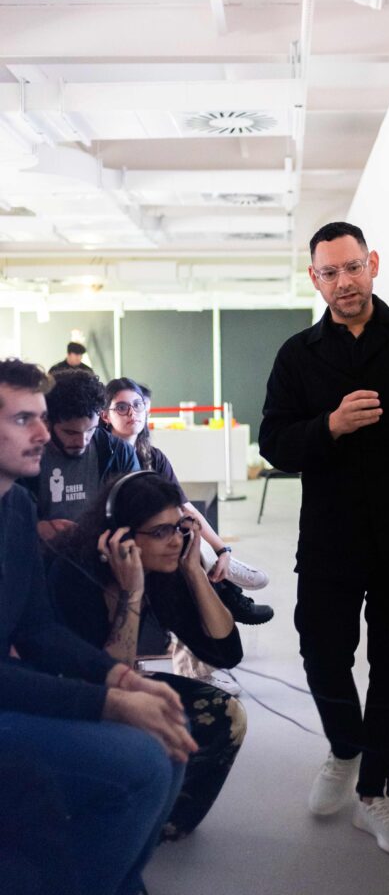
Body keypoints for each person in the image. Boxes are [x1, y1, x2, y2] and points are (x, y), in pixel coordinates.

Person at [259, 221, 389, 857]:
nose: (343, 282)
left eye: (352, 267)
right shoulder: (297, 354)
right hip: (330, 534)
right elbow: (274, 443)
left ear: (372, 263)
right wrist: (331, 425)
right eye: (330, 272)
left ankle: (377, 794)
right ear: (314, 278)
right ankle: (345, 748)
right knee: (321, 653)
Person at [0, 357, 196, 895]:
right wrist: (108, 702)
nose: (43, 435)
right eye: (23, 420)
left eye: (42, 418)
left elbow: (38, 629)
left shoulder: (16, 509)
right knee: (143, 762)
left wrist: (123, 679)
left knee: (167, 739)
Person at [49, 471, 247, 842]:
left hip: (118, 683)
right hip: (70, 699)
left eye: (179, 528)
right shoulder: (73, 573)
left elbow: (227, 652)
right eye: (160, 532)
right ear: (121, 534)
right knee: (132, 731)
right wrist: (131, 593)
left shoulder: (166, 567)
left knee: (226, 715)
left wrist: (193, 572)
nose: (175, 541)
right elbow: (107, 683)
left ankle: (162, 824)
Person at [101, 377, 274, 627]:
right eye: (121, 407)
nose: (132, 413)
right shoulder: (102, 456)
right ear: (105, 416)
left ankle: (225, 582)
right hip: (125, 539)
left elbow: (184, 505)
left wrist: (222, 549)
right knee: (181, 539)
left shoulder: (153, 456)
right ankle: (229, 596)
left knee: (186, 528)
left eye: (137, 405)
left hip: (159, 534)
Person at [19, 369, 138, 543]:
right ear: (48, 422)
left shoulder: (119, 453)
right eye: (70, 432)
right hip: (41, 554)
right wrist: (35, 529)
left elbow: (136, 512)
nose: (82, 441)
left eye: (91, 430)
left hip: (100, 554)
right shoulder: (24, 455)